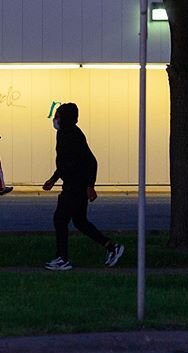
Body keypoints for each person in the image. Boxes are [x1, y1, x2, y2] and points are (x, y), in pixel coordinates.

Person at [42, 103, 124, 271]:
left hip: (75, 186)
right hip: (73, 184)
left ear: (64, 118)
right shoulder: (64, 134)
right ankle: (111, 247)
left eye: (57, 116)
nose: (55, 119)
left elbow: (91, 161)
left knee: (60, 219)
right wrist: (53, 179)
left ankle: (62, 258)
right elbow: (65, 163)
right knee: (80, 222)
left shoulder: (72, 135)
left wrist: (90, 186)